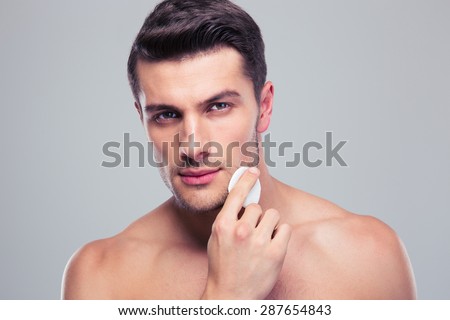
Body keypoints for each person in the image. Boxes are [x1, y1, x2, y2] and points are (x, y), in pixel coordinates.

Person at [62, 0, 416, 299]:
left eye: (218, 107)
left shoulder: (368, 256)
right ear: (142, 118)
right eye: (167, 115)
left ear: (264, 107)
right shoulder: (99, 277)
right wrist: (225, 299)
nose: (193, 146)